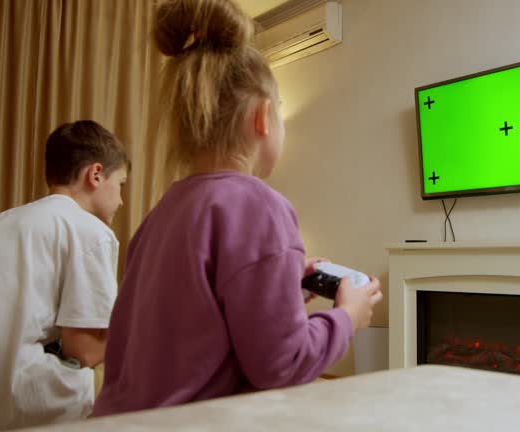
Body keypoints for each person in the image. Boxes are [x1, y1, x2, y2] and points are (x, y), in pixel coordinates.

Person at [92, 0, 383, 416]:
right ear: (264, 117)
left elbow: (196, 328)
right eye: (280, 112)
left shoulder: (164, 213)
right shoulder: (261, 206)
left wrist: (285, 291)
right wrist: (346, 317)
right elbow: (281, 364)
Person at [0, 120, 130, 431]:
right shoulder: (90, 231)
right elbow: (83, 351)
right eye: (121, 185)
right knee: (129, 372)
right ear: (95, 174)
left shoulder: (0, 223)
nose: (121, 201)